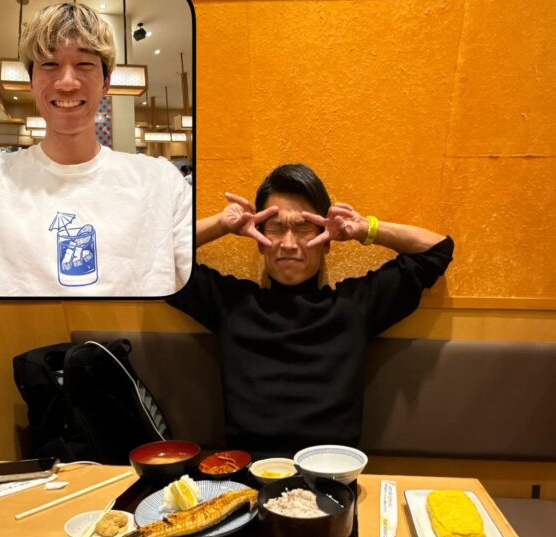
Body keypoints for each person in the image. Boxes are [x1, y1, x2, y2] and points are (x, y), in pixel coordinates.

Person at [168, 163, 453, 453]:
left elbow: (437, 250)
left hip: (332, 471)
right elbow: (158, 258)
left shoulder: (354, 306)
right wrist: (222, 224)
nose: (289, 244)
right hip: (248, 472)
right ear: (259, 242)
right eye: (276, 227)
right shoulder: (231, 303)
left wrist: (362, 228)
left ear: (326, 241)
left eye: (304, 228)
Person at [0, 2, 194, 298]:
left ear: (106, 82)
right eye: (49, 64)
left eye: (85, 64)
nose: (67, 83)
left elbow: (190, 264)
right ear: (31, 81)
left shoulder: (160, 180)